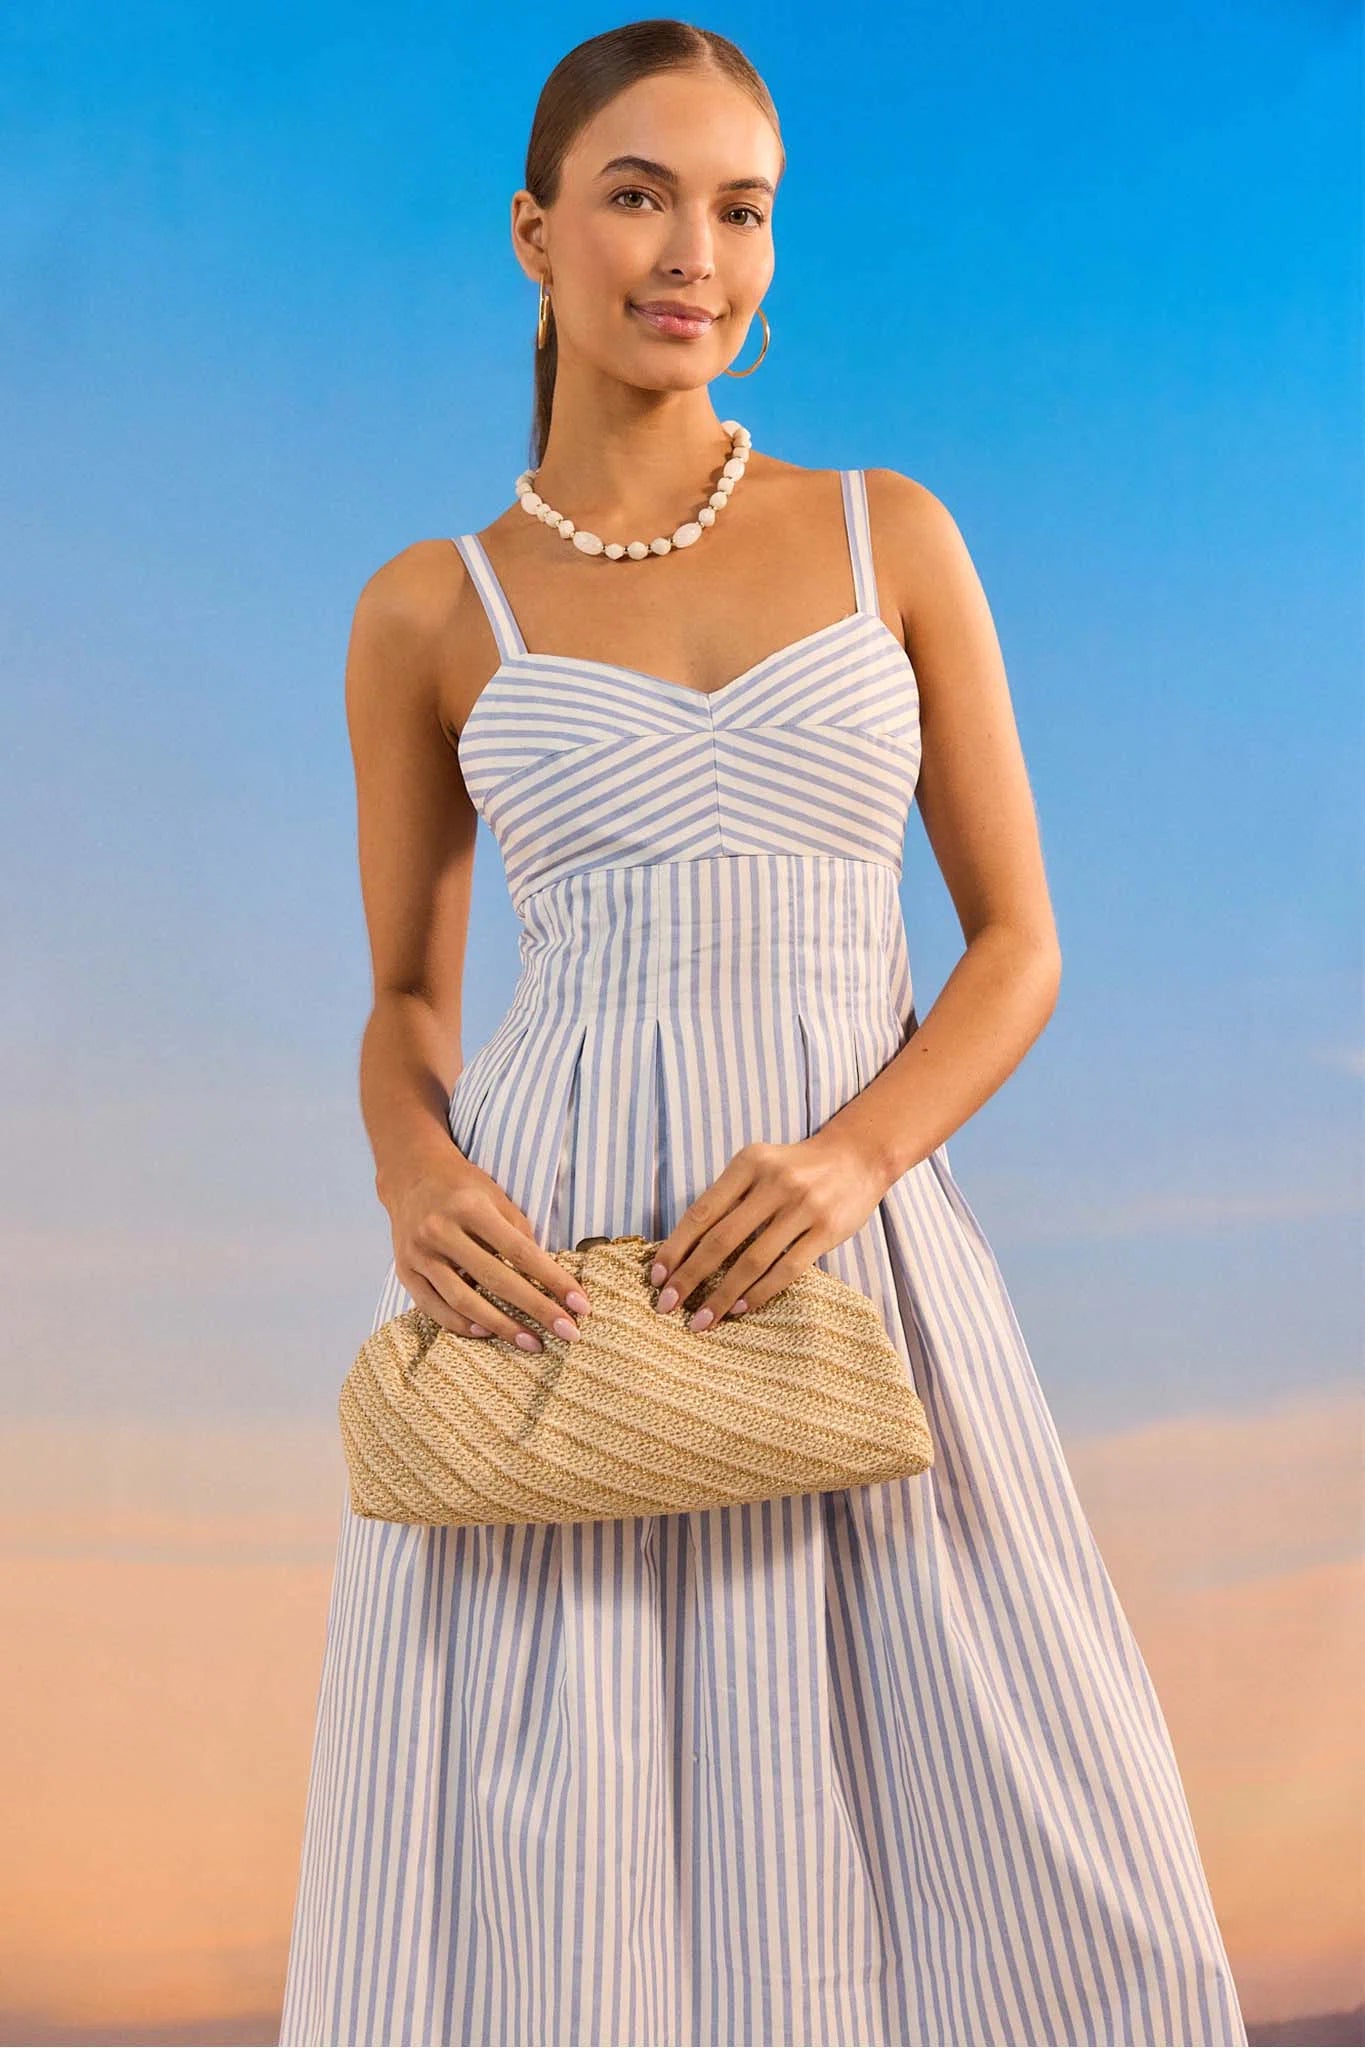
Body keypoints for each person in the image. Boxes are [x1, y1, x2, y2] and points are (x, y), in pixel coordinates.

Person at [279, 21, 1248, 2048]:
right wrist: (413, 1169)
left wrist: (850, 1156)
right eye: (638, 194)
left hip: (850, 1241)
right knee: (567, 1888)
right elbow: (401, 997)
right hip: (559, 1281)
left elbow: (1012, 946)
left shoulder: (893, 532)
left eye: (740, 208)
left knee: (1045, 1845)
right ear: (533, 232)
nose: (690, 253)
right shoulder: (423, 610)